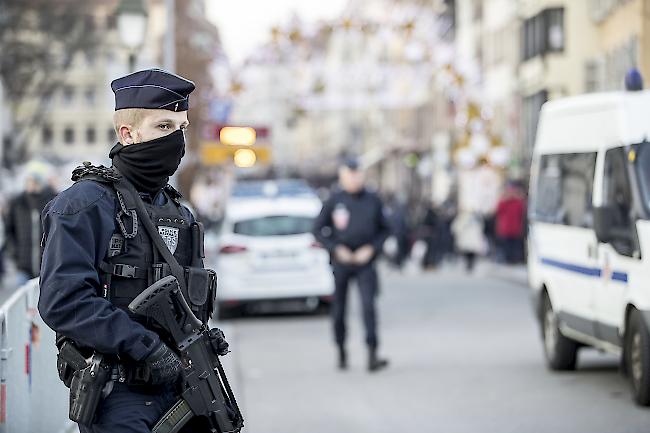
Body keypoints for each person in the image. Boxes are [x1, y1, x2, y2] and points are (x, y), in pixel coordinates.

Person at [38, 69, 229, 433]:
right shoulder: (84, 205)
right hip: (118, 393)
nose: (176, 139)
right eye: (163, 127)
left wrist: (202, 335)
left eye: (181, 127)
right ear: (128, 133)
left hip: (181, 387)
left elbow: (187, 297)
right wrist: (145, 346)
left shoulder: (178, 212)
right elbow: (63, 301)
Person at [313, 157, 391, 372]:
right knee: (339, 309)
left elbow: (385, 229)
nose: (354, 180)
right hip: (342, 262)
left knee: (368, 307)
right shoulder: (334, 200)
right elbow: (318, 229)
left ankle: (372, 352)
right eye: (350, 175)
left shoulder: (373, 199)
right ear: (342, 177)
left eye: (357, 175)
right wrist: (336, 248)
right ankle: (341, 349)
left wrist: (372, 249)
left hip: (366, 262)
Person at [4, 161, 56, 284]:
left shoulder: (52, 200)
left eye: (34, 180)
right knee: (24, 301)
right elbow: (9, 230)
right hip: (23, 266)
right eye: (28, 180)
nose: (31, 184)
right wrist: (14, 254)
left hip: (47, 266)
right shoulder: (17, 203)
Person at [495, 182, 526, 264]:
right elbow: (498, 211)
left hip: (515, 228)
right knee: (506, 245)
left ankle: (513, 259)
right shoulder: (504, 201)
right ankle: (507, 259)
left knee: (514, 246)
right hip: (505, 228)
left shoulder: (518, 202)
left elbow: (522, 213)